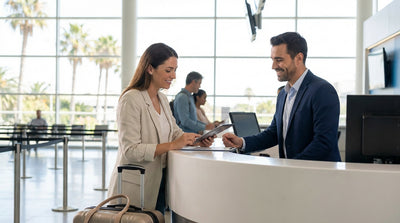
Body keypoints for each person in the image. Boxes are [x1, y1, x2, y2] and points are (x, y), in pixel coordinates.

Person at [107, 43, 214, 214]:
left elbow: (174, 131)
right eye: (168, 70)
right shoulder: (131, 99)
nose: (173, 76)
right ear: (150, 69)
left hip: (161, 180)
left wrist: (195, 140)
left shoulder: (162, 99)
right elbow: (130, 150)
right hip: (136, 185)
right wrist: (173, 145)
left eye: (175, 70)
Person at [222, 32, 341, 162]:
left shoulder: (322, 90)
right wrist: (241, 142)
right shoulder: (283, 94)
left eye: (279, 60)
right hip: (294, 174)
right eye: (272, 60)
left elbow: (323, 143)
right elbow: (274, 133)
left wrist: (290, 167)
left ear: (299, 58)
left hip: (319, 175)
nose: (273, 66)